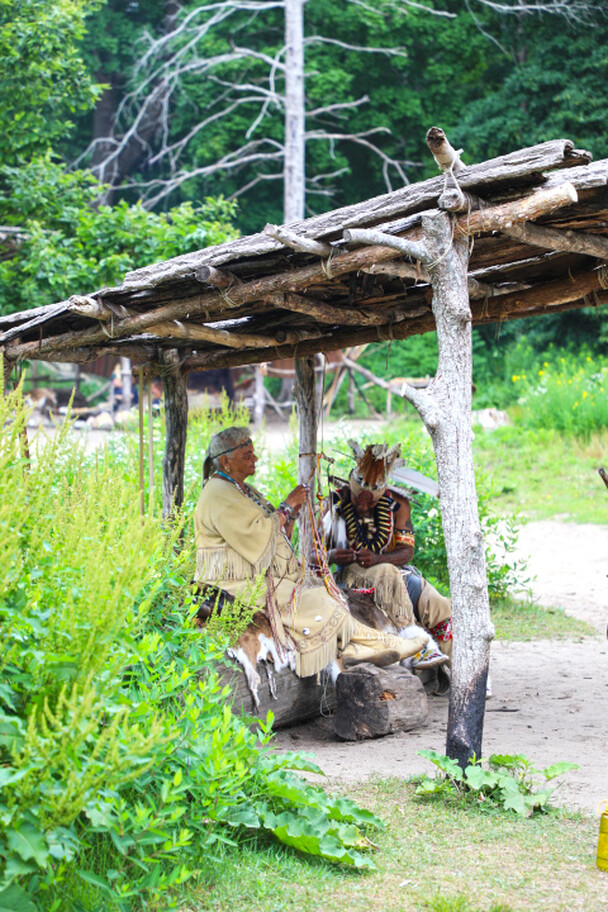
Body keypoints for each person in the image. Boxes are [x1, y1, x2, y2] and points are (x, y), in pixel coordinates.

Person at [193, 427, 433, 678]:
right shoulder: (218, 494)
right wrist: (288, 506)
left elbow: (278, 533)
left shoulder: (244, 490)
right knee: (309, 596)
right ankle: (372, 643)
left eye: (254, 453)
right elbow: (258, 537)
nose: (255, 459)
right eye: (247, 455)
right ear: (225, 461)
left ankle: (360, 646)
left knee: (319, 590)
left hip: (255, 576)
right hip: (233, 583)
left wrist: (291, 512)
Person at [323, 441, 452, 669]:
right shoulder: (333, 502)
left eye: (371, 501)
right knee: (386, 571)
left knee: (439, 605)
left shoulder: (397, 504)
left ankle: (464, 670)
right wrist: (332, 555)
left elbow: (407, 551)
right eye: (358, 499)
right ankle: (416, 644)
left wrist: (378, 559)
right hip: (351, 578)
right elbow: (312, 555)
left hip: (397, 576)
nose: (363, 506)